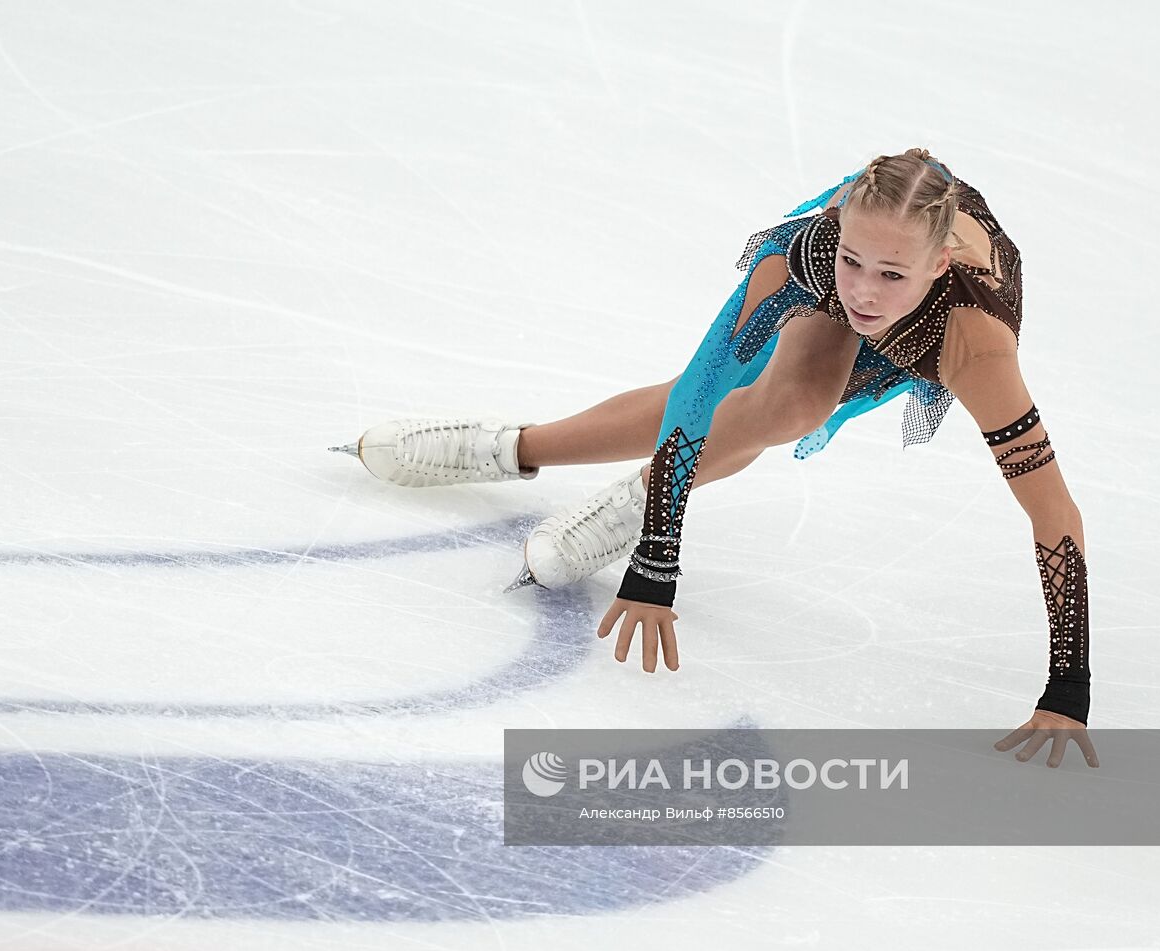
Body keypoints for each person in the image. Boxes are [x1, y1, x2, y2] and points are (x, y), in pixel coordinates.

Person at [335, 149, 1097, 768]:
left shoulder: (975, 348)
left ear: (934, 269)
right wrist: (655, 563)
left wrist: (1069, 686)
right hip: (882, 237)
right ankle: (502, 447)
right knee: (755, 399)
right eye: (856, 265)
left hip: (936, 316)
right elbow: (697, 395)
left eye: (889, 275)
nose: (862, 293)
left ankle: (638, 495)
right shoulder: (820, 250)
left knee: (793, 407)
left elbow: (1053, 514)